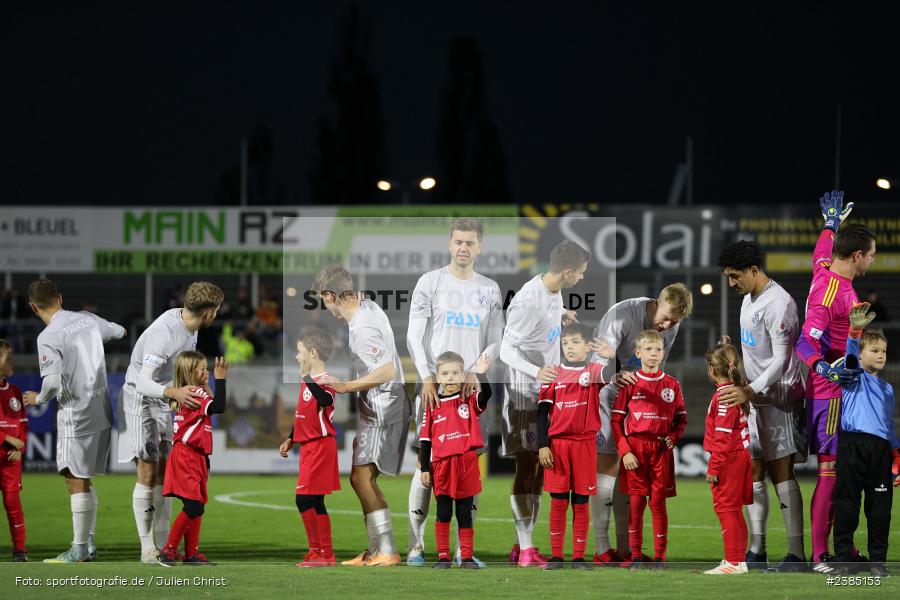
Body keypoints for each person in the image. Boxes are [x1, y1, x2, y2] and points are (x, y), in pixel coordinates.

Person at [406, 217, 504, 567]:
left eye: (470, 242)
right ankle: (416, 545)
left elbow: (497, 336)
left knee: (468, 471)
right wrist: (426, 376)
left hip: (471, 391)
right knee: (426, 467)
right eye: (458, 242)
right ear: (450, 244)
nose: (463, 248)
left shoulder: (490, 289)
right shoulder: (430, 282)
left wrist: (478, 371)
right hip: (434, 388)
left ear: (480, 247)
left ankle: (464, 550)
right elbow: (414, 335)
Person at [795, 191, 876, 573]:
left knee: (845, 473)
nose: (873, 260)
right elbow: (805, 340)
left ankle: (845, 546)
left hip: (845, 389)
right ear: (857, 256)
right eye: (871, 254)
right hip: (831, 393)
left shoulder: (827, 270)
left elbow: (821, 251)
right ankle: (820, 555)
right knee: (830, 472)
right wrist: (823, 369)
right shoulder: (831, 292)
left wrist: (829, 225)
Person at [311, 265, 412, 567]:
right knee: (360, 478)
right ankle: (376, 550)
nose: (326, 308)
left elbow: (387, 370)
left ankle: (388, 550)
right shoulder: (365, 307)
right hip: (378, 402)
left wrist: (346, 386)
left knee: (362, 478)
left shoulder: (362, 326)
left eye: (324, 301)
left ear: (331, 295)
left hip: (384, 402)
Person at [116, 281, 223, 564]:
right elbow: (142, 381)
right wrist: (173, 392)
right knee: (149, 472)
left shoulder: (190, 328)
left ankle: (166, 545)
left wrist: (193, 388)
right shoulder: (164, 334)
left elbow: (178, 370)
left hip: (166, 398)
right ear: (209, 312)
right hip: (143, 399)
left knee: (167, 476)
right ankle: (147, 548)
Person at [716, 241, 807, 572]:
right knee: (753, 471)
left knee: (781, 473)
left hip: (779, 398)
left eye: (735, 276)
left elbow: (782, 359)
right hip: (753, 399)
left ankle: (797, 555)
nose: (731, 283)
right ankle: (757, 551)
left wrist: (750, 389)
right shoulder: (748, 298)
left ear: (754, 271)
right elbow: (758, 350)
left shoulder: (779, 304)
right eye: (728, 276)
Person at [22, 278, 126, 563]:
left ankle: (78, 549)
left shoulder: (48, 336)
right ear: (60, 297)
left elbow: (53, 384)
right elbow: (119, 331)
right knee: (85, 476)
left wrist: (38, 399)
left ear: (33, 307)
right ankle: (88, 543)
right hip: (102, 409)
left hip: (76, 413)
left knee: (74, 477)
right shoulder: (87, 319)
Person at [588, 282, 693, 565]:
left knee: (629, 478)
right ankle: (601, 549)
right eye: (666, 317)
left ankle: (625, 551)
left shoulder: (672, 325)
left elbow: (656, 364)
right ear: (658, 301)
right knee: (609, 467)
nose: (667, 325)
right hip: (607, 394)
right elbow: (598, 360)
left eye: (674, 321)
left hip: (637, 400)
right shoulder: (622, 315)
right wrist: (616, 376)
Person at [500, 240, 589, 568]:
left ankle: (521, 545)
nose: (581, 278)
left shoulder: (553, 293)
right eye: (579, 273)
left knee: (540, 469)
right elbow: (506, 352)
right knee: (528, 468)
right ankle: (525, 550)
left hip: (546, 395)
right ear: (567, 272)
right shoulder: (527, 301)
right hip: (525, 396)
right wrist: (537, 370)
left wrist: (561, 315)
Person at [831, 303, 899, 577]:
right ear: (860, 356)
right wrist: (854, 332)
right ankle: (845, 559)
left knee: (880, 509)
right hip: (852, 446)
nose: (881, 355)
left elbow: (888, 422)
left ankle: (878, 561)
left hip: (880, 451)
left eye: (883, 351)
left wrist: (896, 451)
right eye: (874, 350)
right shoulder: (852, 376)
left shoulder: (888, 387)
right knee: (847, 504)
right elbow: (848, 356)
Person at [611, 329, 687, 569]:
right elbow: (616, 421)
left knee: (657, 504)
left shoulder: (671, 385)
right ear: (638, 353)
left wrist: (673, 437)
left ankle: (660, 558)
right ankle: (635, 556)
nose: (653, 354)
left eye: (657, 350)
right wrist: (625, 451)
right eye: (648, 349)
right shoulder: (630, 383)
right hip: (635, 450)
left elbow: (681, 420)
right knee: (635, 505)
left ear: (663, 353)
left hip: (660, 451)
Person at [537, 324, 607, 570]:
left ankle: (578, 556)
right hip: (557, 446)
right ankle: (557, 556)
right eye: (566, 343)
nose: (569, 347)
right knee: (558, 501)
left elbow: (615, 373)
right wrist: (542, 445)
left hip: (584, 445)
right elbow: (542, 412)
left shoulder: (594, 370)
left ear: (588, 346)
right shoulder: (553, 373)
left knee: (580, 501)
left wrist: (611, 355)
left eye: (575, 342)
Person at [419, 352, 492, 569]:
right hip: (441, 465)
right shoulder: (432, 405)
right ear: (438, 377)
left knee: (464, 512)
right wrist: (425, 468)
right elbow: (425, 440)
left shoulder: (468, 400)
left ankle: (467, 557)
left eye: (455, 373)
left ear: (462, 376)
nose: (450, 377)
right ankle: (443, 557)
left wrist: (481, 375)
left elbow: (486, 394)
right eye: (445, 373)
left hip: (466, 462)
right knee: (443, 512)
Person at [157, 353, 228, 565]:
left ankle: (191, 554)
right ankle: (169, 550)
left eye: (207, 368)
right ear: (189, 372)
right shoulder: (193, 392)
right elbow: (219, 407)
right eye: (202, 369)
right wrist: (221, 378)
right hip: (187, 455)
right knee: (193, 506)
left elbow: (209, 408)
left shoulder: (191, 392)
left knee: (198, 506)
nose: (206, 372)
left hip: (194, 455)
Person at [278, 328, 340, 568]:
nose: (297, 356)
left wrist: (306, 378)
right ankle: (321, 554)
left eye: (300, 351)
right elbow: (306, 415)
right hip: (309, 447)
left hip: (320, 447)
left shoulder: (326, 380)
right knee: (313, 501)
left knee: (304, 500)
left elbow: (325, 401)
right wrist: (291, 437)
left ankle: (323, 553)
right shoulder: (311, 381)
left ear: (313, 352)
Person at [702, 343, 752, 575]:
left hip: (729, 459)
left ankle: (732, 562)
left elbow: (721, 438)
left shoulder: (723, 397)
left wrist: (714, 468)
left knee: (726, 509)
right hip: (740, 456)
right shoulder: (736, 389)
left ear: (712, 369)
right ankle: (738, 561)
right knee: (734, 510)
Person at [0, 340, 27, 561]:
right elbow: (11, 435)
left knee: (13, 504)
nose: (12, 362)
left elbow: (23, 425)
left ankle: (20, 550)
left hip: (11, 460)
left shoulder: (15, 392)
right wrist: (6, 437)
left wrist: (20, 447)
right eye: (7, 357)